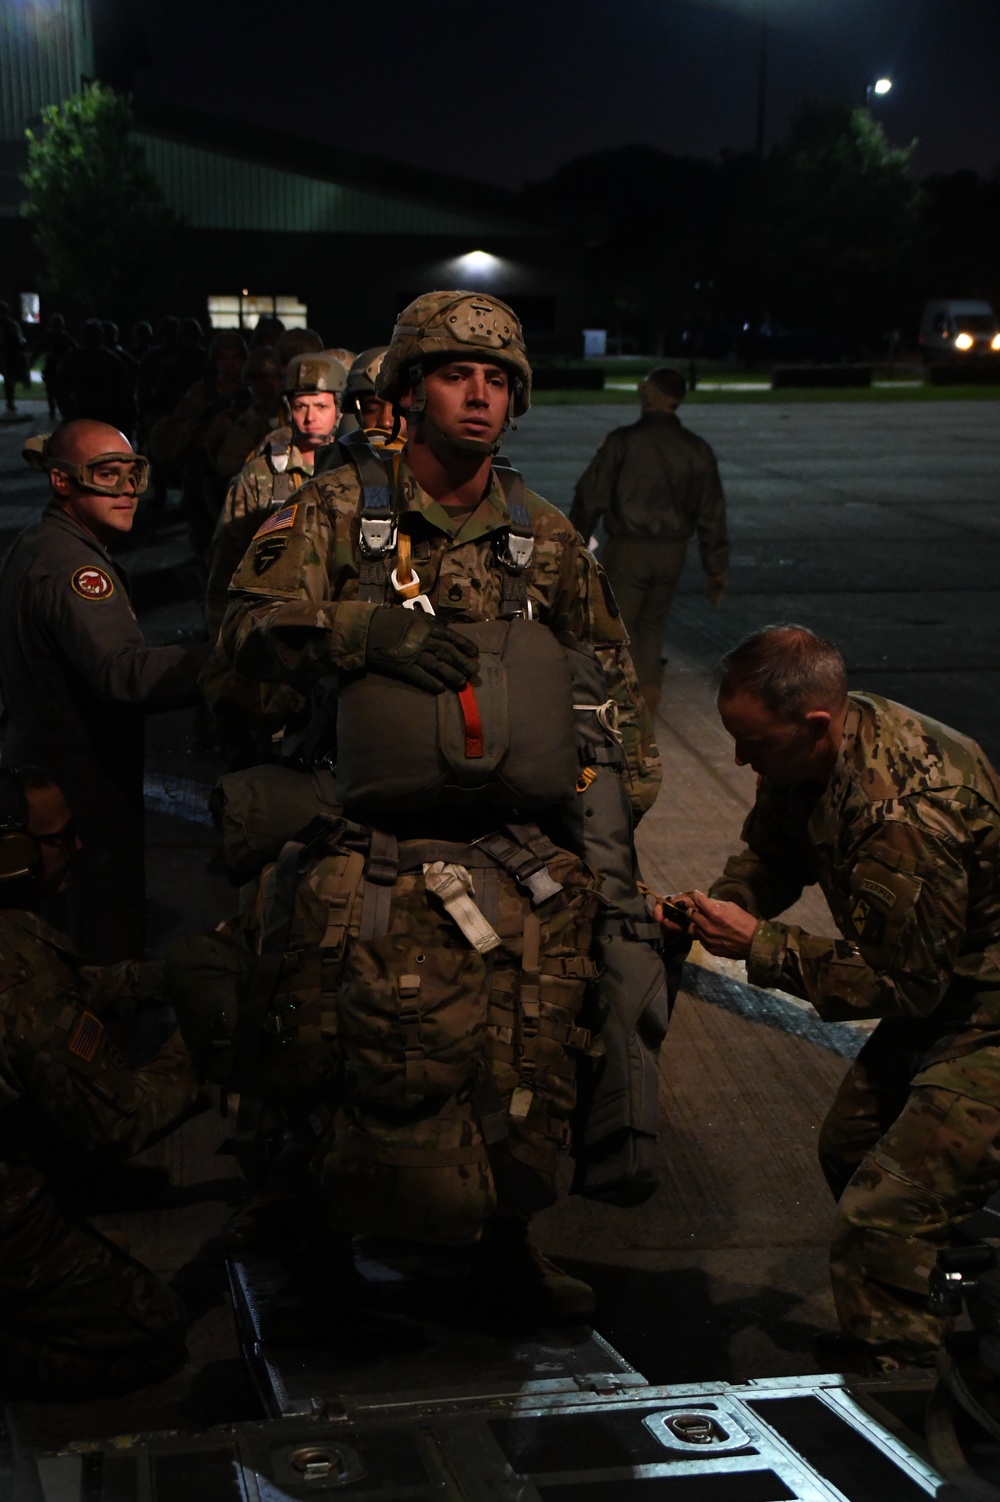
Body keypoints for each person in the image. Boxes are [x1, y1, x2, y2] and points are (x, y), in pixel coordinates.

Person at [206, 291, 666, 1322]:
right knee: (317, 1043)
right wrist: (362, 633)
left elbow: (609, 681)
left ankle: (507, 1241)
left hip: (510, 850)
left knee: (527, 1049)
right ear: (409, 392)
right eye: (458, 374)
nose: (481, 395)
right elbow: (239, 630)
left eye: (499, 379)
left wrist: (612, 805)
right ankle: (311, 1234)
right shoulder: (329, 511)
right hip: (354, 832)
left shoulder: (541, 537)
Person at [657, 623, 1000, 1374]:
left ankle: (906, 1387)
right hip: (951, 989)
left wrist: (762, 946)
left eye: (754, 744)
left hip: (984, 1012)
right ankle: (939, 1278)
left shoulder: (906, 812)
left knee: (885, 1212)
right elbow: (775, 854)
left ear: (815, 723)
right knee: (849, 1149)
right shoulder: (815, 752)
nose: (741, 759)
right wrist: (721, 905)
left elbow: (907, 984)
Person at [0, 765, 205, 1399]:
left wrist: (174, 975)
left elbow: (74, 990)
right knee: (152, 1330)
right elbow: (119, 1121)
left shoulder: (17, 952)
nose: (78, 847)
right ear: (12, 856)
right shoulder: (18, 972)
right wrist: (201, 1045)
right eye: (61, 838)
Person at [0, 421, 210, 962]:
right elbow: (124, 674)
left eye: (134, 473)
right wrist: (223, 657)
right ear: (61, 482)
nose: (127, 490)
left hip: (47, 774)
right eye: (106, 475)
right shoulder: (73, 567)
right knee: (100, 942)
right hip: (81, 790)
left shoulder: (43, 544)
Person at [569, 366, 729, 717]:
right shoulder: (697, 449)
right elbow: (711, 513)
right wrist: (715, 569)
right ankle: (649, 690)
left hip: (629, 548)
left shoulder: (623, 442)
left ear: (647, 397)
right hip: (673, 552)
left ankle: (626, 704)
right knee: (653, 626)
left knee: (619, 628)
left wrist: (573, 544)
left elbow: (589, 497)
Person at [204, 351, 347, 637]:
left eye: (321, 406)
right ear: (287, 408)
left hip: (342, 623)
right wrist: (222, 639)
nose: (310, 418)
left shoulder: (354, 470)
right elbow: (226, 564)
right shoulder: (260, 474)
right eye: (300, 406)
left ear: (339, 410)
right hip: (276, 623)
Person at [54, 318, 136, 438]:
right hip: (80, 412)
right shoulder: (74, 358)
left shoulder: (110, 360)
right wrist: (66, 410)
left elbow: (124, 387)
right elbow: (61, 386)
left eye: (95, 336)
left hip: (106, 414)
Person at [0, 301, 31, 419]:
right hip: (5, 355)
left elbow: (18, 341)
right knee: (9, 379)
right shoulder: (9, 325)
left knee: (10, 379)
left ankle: (10, 403)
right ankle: (10, 402)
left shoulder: (11, 325)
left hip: (9, 356)